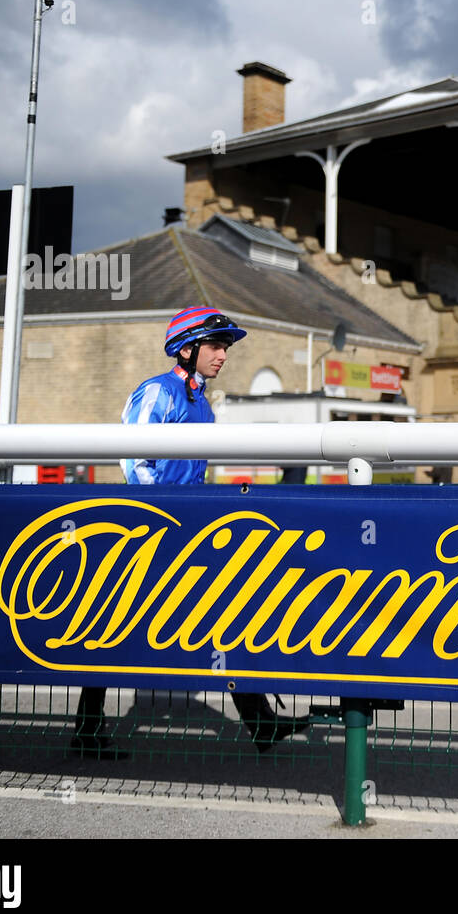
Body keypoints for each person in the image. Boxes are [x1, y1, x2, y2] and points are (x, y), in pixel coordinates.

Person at [70, 306, 311, 758]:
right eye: (217, 346)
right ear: (187, 348)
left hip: (185, 532)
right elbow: (132, 461)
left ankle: (260, 723)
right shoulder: (155, 393)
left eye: (226, 347)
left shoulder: (202, 402)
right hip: (147, 532)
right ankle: (86, 730)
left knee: (229, 615)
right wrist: (161, 519)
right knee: (108, 630)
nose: (223, 355)